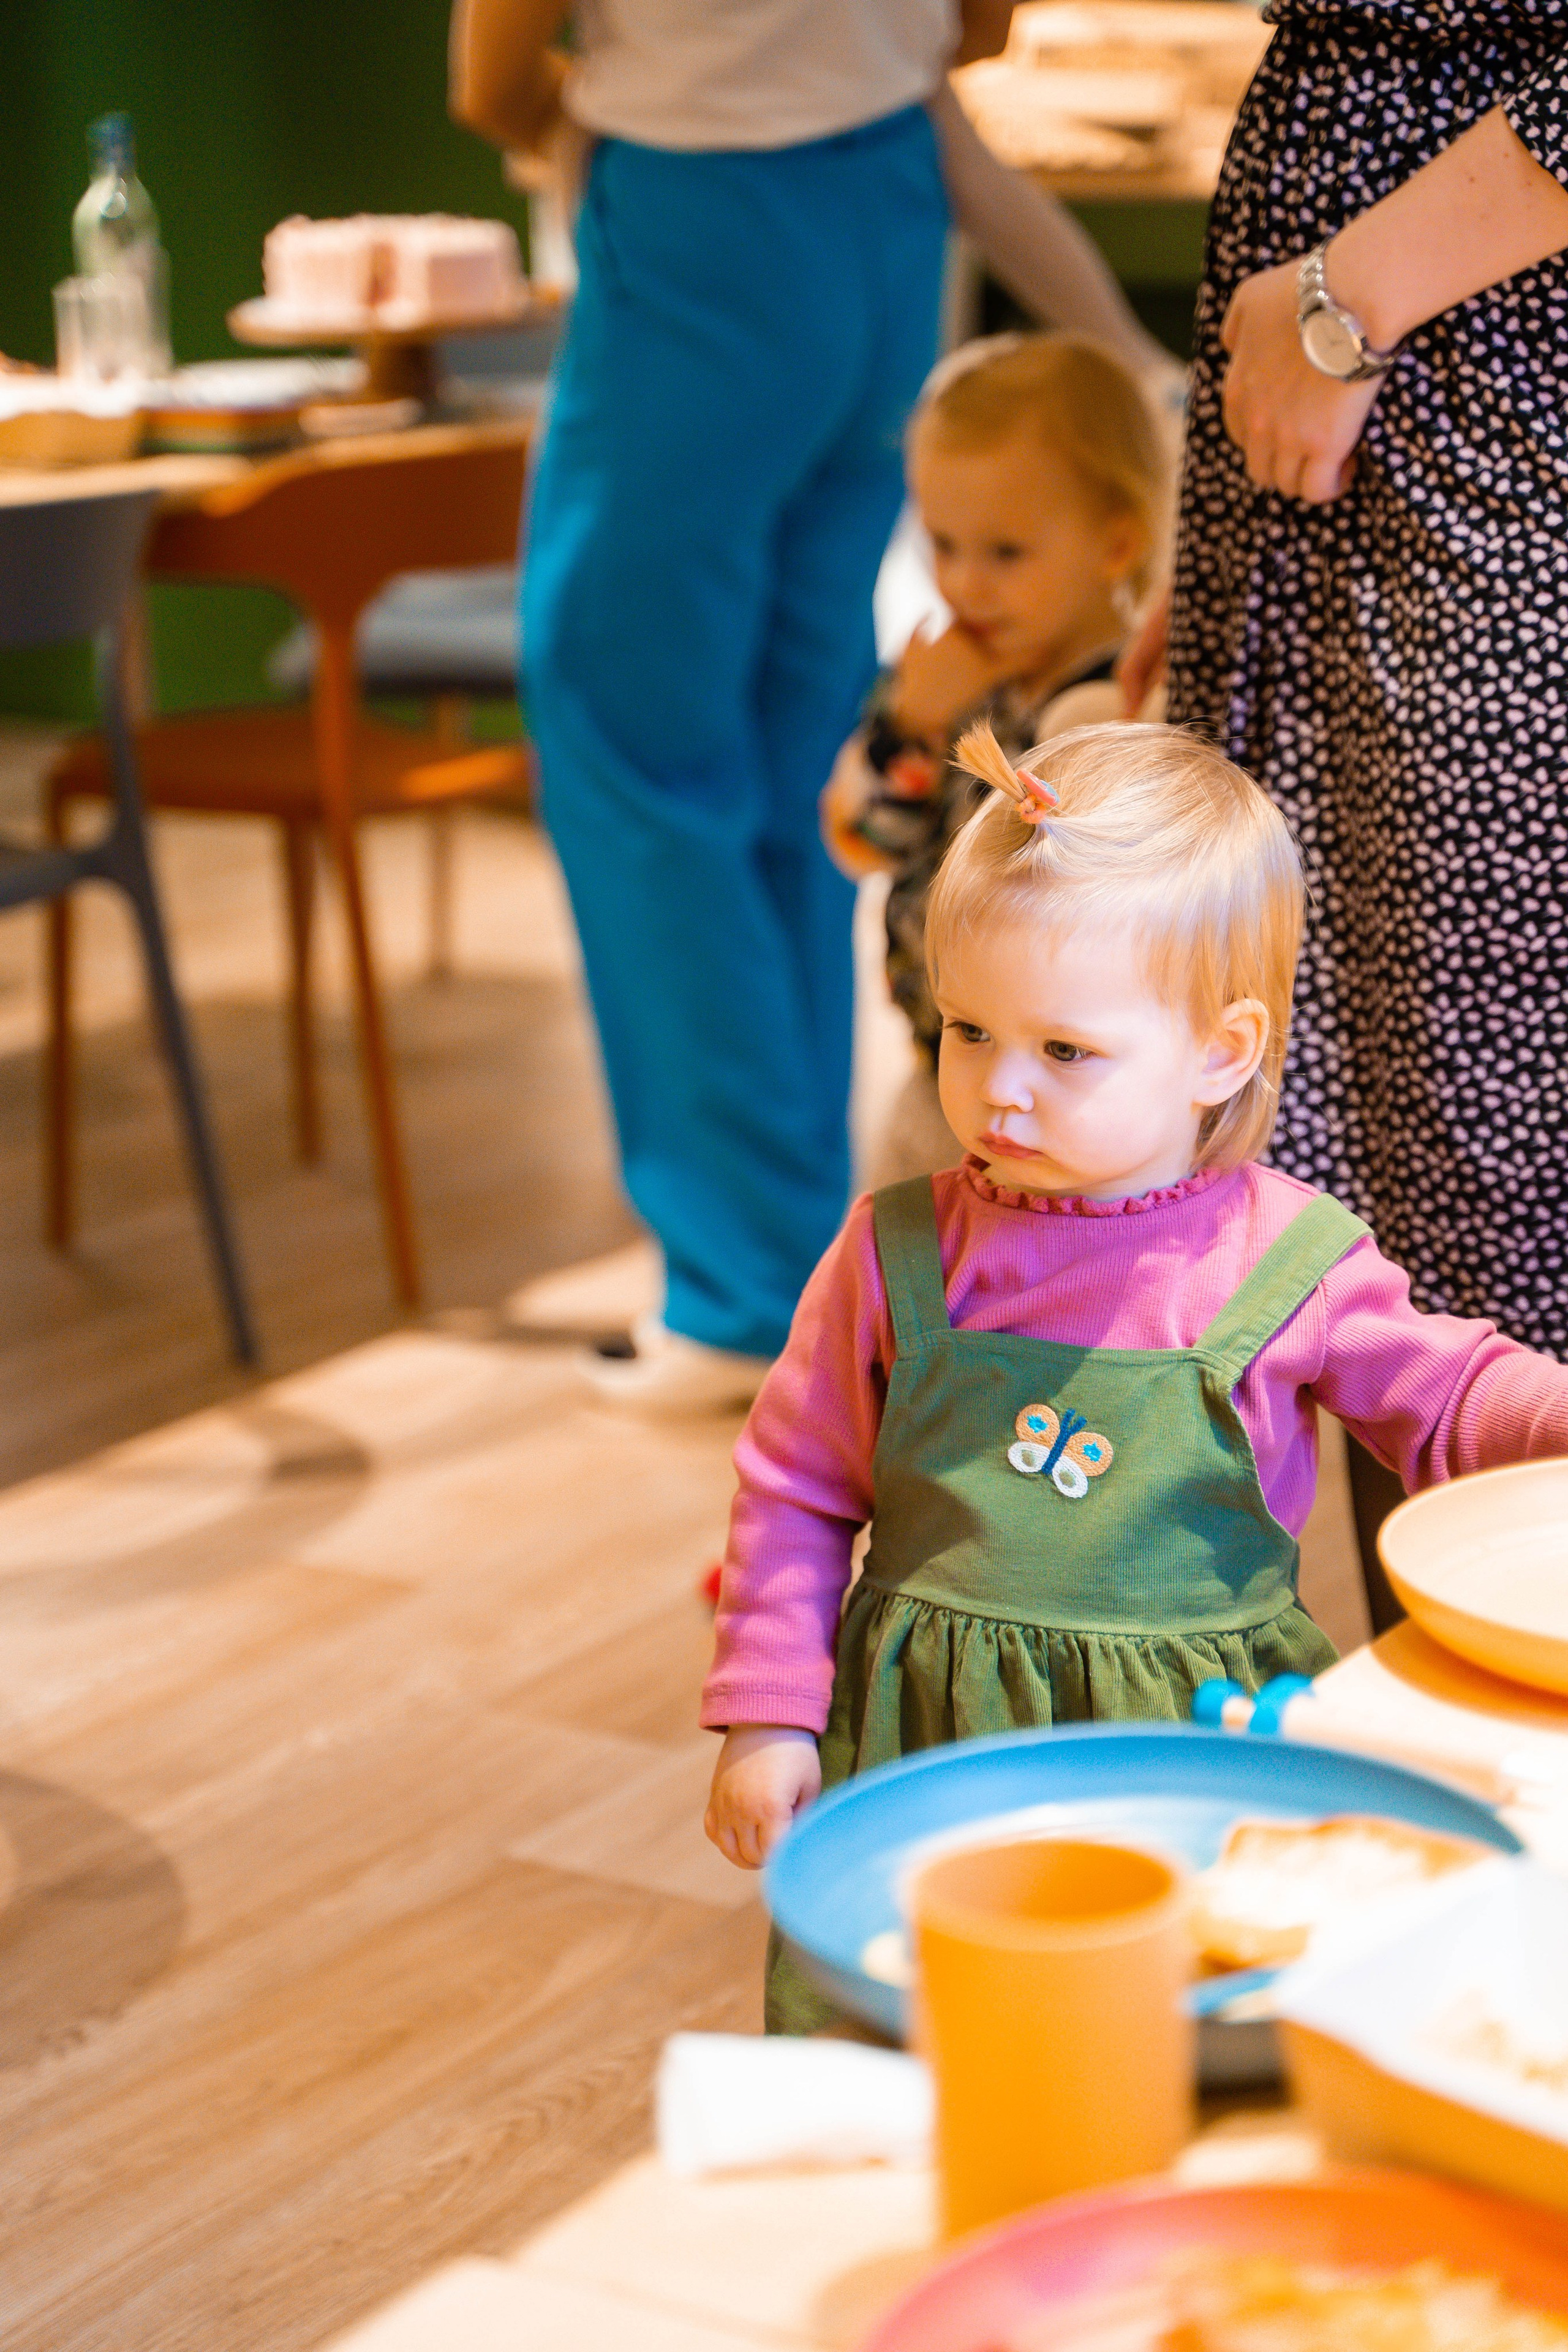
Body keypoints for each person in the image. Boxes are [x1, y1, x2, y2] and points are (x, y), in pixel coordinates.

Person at [699, 717, 1568, 2028]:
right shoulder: (891, 1255)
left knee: (1167, 2048)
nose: (997, 1089)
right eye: (968, 1029)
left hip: (1193, 1755)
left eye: (1062, 1051)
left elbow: (1449, 1399)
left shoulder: (1288, 1263)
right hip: (920, 1752)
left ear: (1219, 1050)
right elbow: (795, 1492)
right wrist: (769, 1715)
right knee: (912, 2046)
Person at [449, 0, 1177, 1415]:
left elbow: (490, 77)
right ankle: (805, 1264)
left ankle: (737, 1284)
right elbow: (976, 28)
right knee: (796, 756)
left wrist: (577, 133)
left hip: (692, 204)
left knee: (637, 756)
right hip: (885, 206)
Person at [1119, 2, 1568, 1608]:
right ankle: (1443, 1753)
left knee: (1496, 1148)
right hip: (1353, 430)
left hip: (1487, 401)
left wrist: (1346, 295)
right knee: (1343, 1158)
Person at [820, 331, 1169, 1181]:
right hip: (934, 1066)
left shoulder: (1119, 710)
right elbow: (853, 842)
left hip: (1054, 1105)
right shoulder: (940, 688)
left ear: (1116, 545)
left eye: (1005, 552)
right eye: (942, 544)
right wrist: (909, 726)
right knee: (900, 1284)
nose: (966, 583)